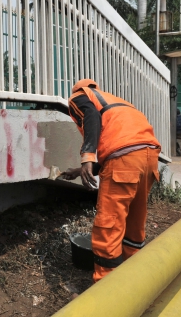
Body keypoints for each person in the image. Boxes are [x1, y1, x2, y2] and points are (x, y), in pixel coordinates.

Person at [60, 79, 160, 283]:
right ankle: (134, 278)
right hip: (149, 157)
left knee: (109, 224)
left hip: (124, 159)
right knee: (134, 219)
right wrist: (80, 171)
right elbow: (122, 148)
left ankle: (107, 287)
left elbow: (91, 118)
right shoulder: (115, 102)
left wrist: (87, 157)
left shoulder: (80, 97)